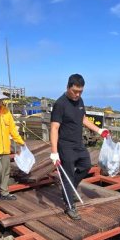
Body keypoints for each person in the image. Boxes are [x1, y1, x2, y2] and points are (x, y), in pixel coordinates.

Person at [49, 73, 110, 220]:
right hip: (65, 145)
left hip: (78, 143)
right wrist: (54, 152)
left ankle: (68, 190)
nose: (77, 94)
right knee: (67, 175)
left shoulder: (80, 100)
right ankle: (69, 206)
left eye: (80, 91)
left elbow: (83, 118)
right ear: (67, 87)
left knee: (86, 165)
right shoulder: (60, 104)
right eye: (75, 91)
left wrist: (99, 130)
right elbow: (54, 128)